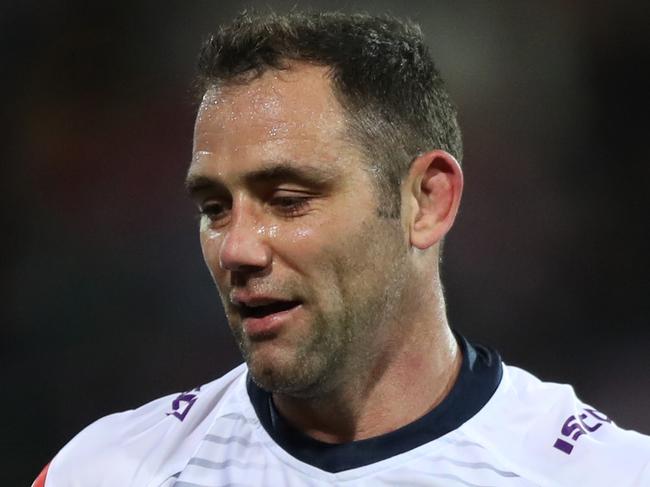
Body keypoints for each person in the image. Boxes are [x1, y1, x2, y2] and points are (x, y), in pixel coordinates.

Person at [33, 11, 650, 487]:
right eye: (215, 209)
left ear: (426, 202)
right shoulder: (109, 469)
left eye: (290, 199)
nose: (237, 250)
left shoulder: (597, 473)